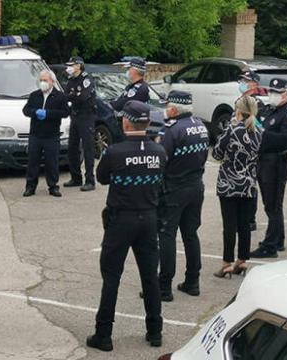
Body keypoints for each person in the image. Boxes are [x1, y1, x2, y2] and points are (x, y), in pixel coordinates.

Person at [88, 100, 165, 352]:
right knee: (149, 277)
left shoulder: (115, 152)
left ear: (126, 122)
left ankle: (104, 333)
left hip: (121, 219)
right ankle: (155, 331)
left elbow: (101, 177)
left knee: (111, 277)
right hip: (148, 218)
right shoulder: (158, 152)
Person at [157, 91, 208, 301]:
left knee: (167, 235)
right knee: (190, 234)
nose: (165, 108)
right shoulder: (201, 126)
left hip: (174, 188)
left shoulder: (172, 130)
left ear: (174, 108)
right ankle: (192, 281)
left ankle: (164, 287)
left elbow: (161, 159)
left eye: (167, 105)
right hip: (196, 185)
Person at [212, 96, 262, 278]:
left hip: (229, 184)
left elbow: (217, 153)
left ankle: (227, 263)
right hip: (249, 184)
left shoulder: (231, 130)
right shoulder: (259, 131)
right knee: (244, 225)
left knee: (230, 226)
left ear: (238, 111)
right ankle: (242, 260)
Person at [250, 78, 287, 258]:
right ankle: (278, 240)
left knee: (273, 205)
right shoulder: (271, 110)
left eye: (277, 93)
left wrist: (263, 134)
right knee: (272, 203)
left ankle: (269, 246)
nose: (273, 96)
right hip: (265, 161)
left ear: (286, 94)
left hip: (277, 163)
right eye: (271, 92)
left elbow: (286, 139)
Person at [22, 70, 70, 197]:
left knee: (52, 162)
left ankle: (53, 186)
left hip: (52, 135)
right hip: (35, 135)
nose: (43, 82)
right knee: (33, 161)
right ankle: (30, 187)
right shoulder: (34, 95)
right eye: (41, 80)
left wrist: (48, 113)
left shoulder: (60, 96)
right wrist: (35, 112)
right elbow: (26, 110)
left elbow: (65, 112)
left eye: (45, 80)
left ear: (52, 82)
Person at [237, 70, 266, 232]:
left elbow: (261, 128)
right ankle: (241, 216)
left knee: (250, 184)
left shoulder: (258, 104)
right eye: (242, 80)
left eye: (246, 80)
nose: (242, 83)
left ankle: (250, 219)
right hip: (238, 149)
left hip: (252, 149)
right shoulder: (239, 100)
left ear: (254, 84)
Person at [63, 56, 97, 192]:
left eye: (71, 65)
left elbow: (83, 97)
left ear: (79, 66)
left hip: (86, 116)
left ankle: (90, 180)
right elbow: (66, 95)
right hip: (75, 116)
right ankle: (76, 178)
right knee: (72, 147)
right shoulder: (71, 80)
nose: (69, 67)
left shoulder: (87, 79)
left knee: (88, 149)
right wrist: (74, 94)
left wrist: (73, 95)